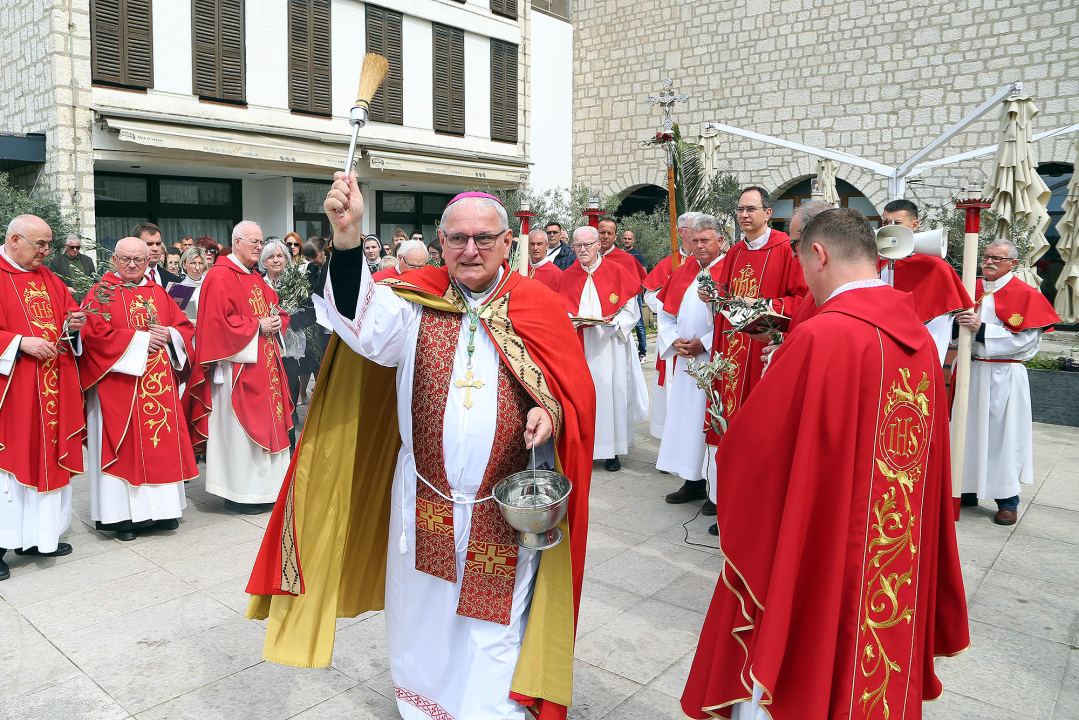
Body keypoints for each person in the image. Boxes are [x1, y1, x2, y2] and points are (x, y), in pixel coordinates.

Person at [247, 177, 595, 720]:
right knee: (424, 611)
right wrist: (345, 238)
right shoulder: (415, 302)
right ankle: (427, 707)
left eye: (483, 238)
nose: (469, 249)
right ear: (441, 241)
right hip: (424, 494)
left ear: (508, 243)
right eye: (457, 239)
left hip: (502, 505)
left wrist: (548, 412)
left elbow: (570, 394)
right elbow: (357, 318)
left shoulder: (538, 308)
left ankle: (490, 710)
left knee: (493, 616)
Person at [681, 208, 970, 720]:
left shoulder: (823, 336)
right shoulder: (920, 339)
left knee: (813, 638)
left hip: (824, 537)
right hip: (894, 540)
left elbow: (756, 451)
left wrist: (733, 432)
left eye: (801, 260)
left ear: (818, 255)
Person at [79, 237, 197, 541]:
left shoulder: (157, 291)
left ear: (149, 261)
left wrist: (170, 334)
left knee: (161, 444)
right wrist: (142, 340)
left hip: (158, 387)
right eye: (125, 259)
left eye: (139, 260)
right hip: (119, 386)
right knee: (125, 449)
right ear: (114, 260)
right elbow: (94, 337)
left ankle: (164, 511)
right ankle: (123, 518)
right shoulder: (101, 293)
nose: (132, 265)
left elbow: (184, 326)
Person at [0, 215, 87, 580]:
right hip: (13, 392)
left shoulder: (49, 277)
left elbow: (66, 316)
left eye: (49, 244)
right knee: (11, 463)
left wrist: (75, 325)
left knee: (48, 459)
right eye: (41, 244)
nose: (47, 252)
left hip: (51, 386)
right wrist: (19, 343)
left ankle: (39, 537)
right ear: (15, 239)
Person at [187, 220, 293, 514]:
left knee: (270, 426)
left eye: (261, 242)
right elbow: (217, 324)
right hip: (238, 368)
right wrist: (257, 325)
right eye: (254, 242)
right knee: (239, 432)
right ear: (236, 243)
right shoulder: (220, 276)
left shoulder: (254, 276)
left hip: (266, 367)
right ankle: (240, 493)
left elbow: (274, 308)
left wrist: (276, 320)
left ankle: (270, 489)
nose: (259, 247)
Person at [953, 239, 1059, 525]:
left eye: (996, 258)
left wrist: (982, 329)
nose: (988, 261)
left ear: (1013, 263)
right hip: (969, 373)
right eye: (986, 256)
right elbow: (950, 330)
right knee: (966, 431)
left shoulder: (1026, 295)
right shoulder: (968, 288)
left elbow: (1026, 343)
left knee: (1004, 437)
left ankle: (1007, 501)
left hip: (1004, 375)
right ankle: (965, 489)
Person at [559, 225, 648, 472]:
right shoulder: (568, 275)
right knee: (584, 395)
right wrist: (569, 318)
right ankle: (585, 448)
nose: (582, 250)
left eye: (587, 244)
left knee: (610, 394)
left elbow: (632, 308)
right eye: (577, 246)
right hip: (581, 345)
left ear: (599, 244)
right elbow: (561, 308)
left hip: (611, 345)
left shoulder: (617, 271)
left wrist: (617, 324)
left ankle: (612, 451)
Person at [657, 215, 727, 514]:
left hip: (716, 361)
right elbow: (665, 312)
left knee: (709, 421)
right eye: (695, 240)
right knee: (687, 420)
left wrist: (706, 343)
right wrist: (675, 340)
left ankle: (715, 486)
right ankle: (692, 478)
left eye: (705, 240)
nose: (699, 246)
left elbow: (733, 315)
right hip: (687, 361)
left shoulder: (730, 269)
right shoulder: (686, 271)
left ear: (720, 241)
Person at [880, 199, 973, 364]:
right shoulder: (876, 263)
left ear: (915, 225)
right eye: (885, 222)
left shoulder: (936, 267)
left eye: (897, 223)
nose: (889, 228)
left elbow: (939, 327)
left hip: (918, 346)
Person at [644, 212, 696, 441]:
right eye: (694, 230)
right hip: (672, 336)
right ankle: (671, 442)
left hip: (700, 339)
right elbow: (649, 297)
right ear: (681, 232)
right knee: (671, 389)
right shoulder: (669, 263)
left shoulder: (712, 263)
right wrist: (673, 303)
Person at [261, 239, 317, 447]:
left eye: (280, 256)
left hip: (289, 352)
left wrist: (287, 321)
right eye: (271, 257)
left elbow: (311, 315)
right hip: (264, 349)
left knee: (289, 397)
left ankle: (289, 447)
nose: (276, 260)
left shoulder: (297, 283)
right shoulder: (257, 283)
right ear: (263, 261)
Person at [45, 234, 96, 299]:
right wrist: (64, 289)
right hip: (67, 302)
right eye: (72, 247)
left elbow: (94, 281)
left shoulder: (87, 260)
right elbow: (51, 283)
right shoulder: (56, 262)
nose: (75, 250)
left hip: (86, 303)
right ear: (66, 246)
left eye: (77, 247)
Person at [178, 246, 209, 324]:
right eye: (193, 263)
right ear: (184, 265)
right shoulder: (179, 289)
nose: (197, 267)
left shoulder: (211, 285)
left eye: (201, 263)